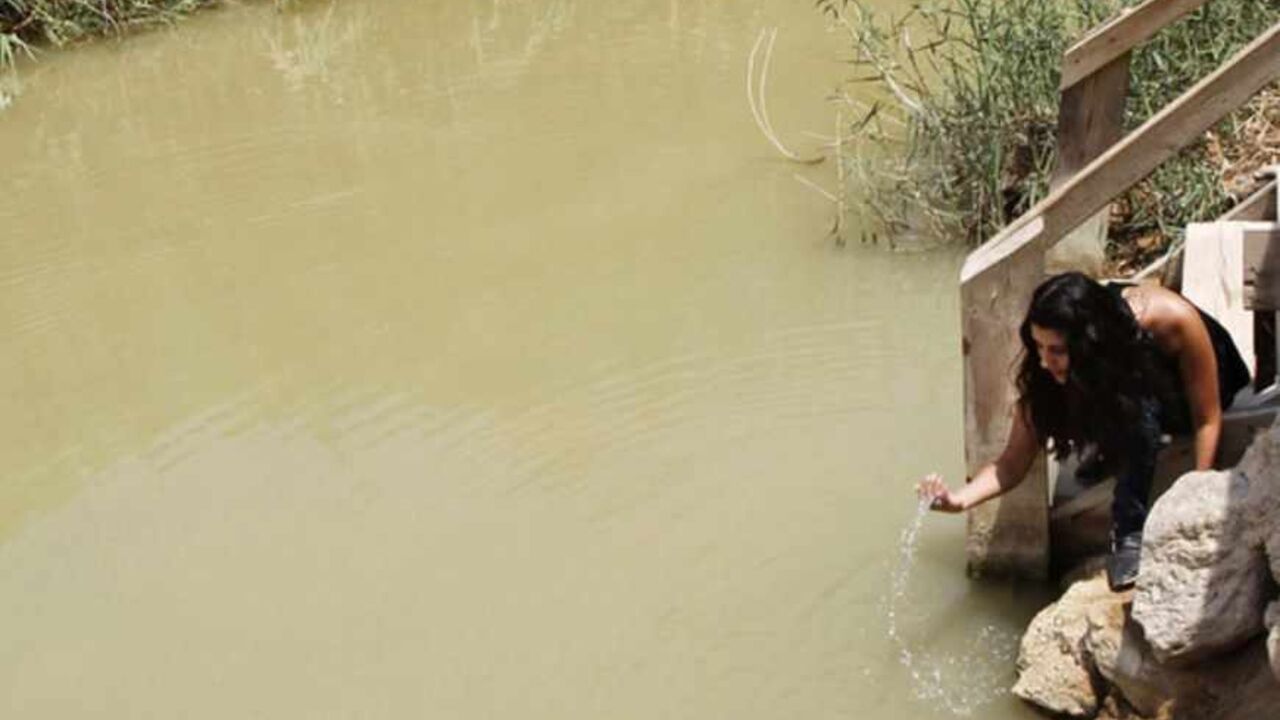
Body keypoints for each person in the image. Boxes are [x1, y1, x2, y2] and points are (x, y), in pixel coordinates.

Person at [917, 272, 1250, 590]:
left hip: (1197, 387)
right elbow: (1011, 463)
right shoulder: (1050, 366)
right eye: (1038, 346)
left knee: (1138, 407)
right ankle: (1114, 451)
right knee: (1082, 400)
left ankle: (1128, 531)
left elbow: (1207, 418)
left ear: (1089, 341)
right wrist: (958, 501)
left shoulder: (1167, 318)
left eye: (1057, 350)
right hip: (1116, 380)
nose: (1045, 361)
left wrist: (1195, 494)